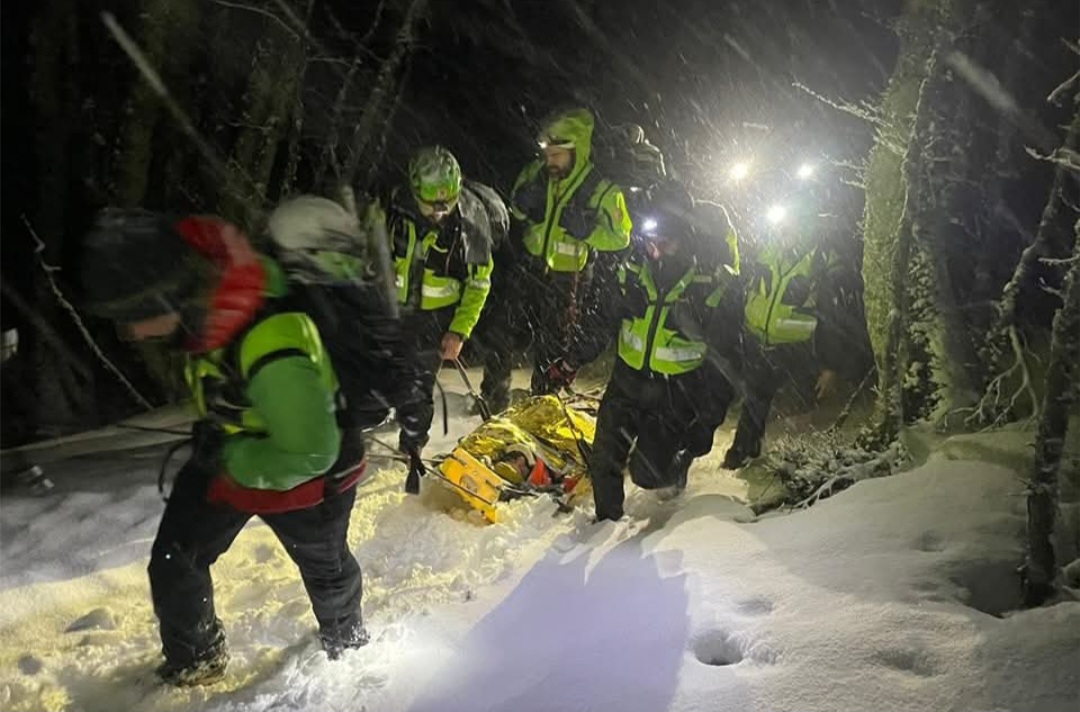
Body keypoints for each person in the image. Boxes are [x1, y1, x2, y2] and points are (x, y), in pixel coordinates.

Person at [81, 209, 368, 686]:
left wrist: (233, 459)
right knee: (176, 556)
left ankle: (348, 650)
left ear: (169, 297)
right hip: (232, 449)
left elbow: (311, 453)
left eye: (135, 319)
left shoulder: (270, 338)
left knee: (326, 568)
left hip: (313, 472)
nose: (132, 334)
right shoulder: (206, 316)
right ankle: (196, 657)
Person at [581, 181, 742, 522]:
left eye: (663, 243)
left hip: (675, 394)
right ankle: (605, 523)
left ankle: (677, 466)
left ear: (684, 238)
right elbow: (601, 319)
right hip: (627, 379)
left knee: (647, 473)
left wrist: (706, 425)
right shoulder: (634, 267)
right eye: (649, 242)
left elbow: (726, 364)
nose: (654, 252)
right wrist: (580, 350)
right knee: (604, 457)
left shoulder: (710, 286)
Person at [478, 107, 632, 413]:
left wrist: (588, 231)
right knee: (501, 331)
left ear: (576, 150)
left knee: (553, 343)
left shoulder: (601, 189)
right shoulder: (536, 173)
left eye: (557, 155)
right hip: (530, 265)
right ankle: (492, 396)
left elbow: (621, 237)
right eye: (547, 154)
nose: (550, 161)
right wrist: (523, 205)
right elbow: (515, 208)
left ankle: (540, 404)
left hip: (568, 275)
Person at [383, 146, 506, 462]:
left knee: (418, 385)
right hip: (395, 309)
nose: (439, 213)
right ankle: (384, 416)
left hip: (437, 319)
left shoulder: (471, 222)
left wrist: (459, 331)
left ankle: (411, 446)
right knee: (386, 373)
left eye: (446, 205)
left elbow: (479, 283)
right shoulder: (393, 208)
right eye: (431, 205)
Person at [722, 191, 845, 469]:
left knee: (798, 412)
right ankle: (743, 452)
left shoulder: (821, 261)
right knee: (754, 401)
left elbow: (833, 318)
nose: (784, 230)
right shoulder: (767, 249)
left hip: (797, 350)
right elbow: (746, 286)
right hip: (758, 342)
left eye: (791, 225)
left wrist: (830, 366)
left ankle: (799, 465)